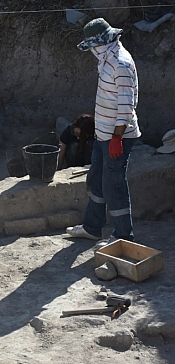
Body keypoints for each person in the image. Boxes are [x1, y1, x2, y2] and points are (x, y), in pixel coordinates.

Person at [67, 18, 141, 242]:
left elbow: (127, 107)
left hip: (117, 137)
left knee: (113, 185)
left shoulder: (121, 64)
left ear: (103, 41)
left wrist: (117, 137)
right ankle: (92, 227)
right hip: (103, 135)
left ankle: (123, 236)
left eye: (93, 46)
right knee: (97, 178)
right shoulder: (107, 59)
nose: (92, 51)